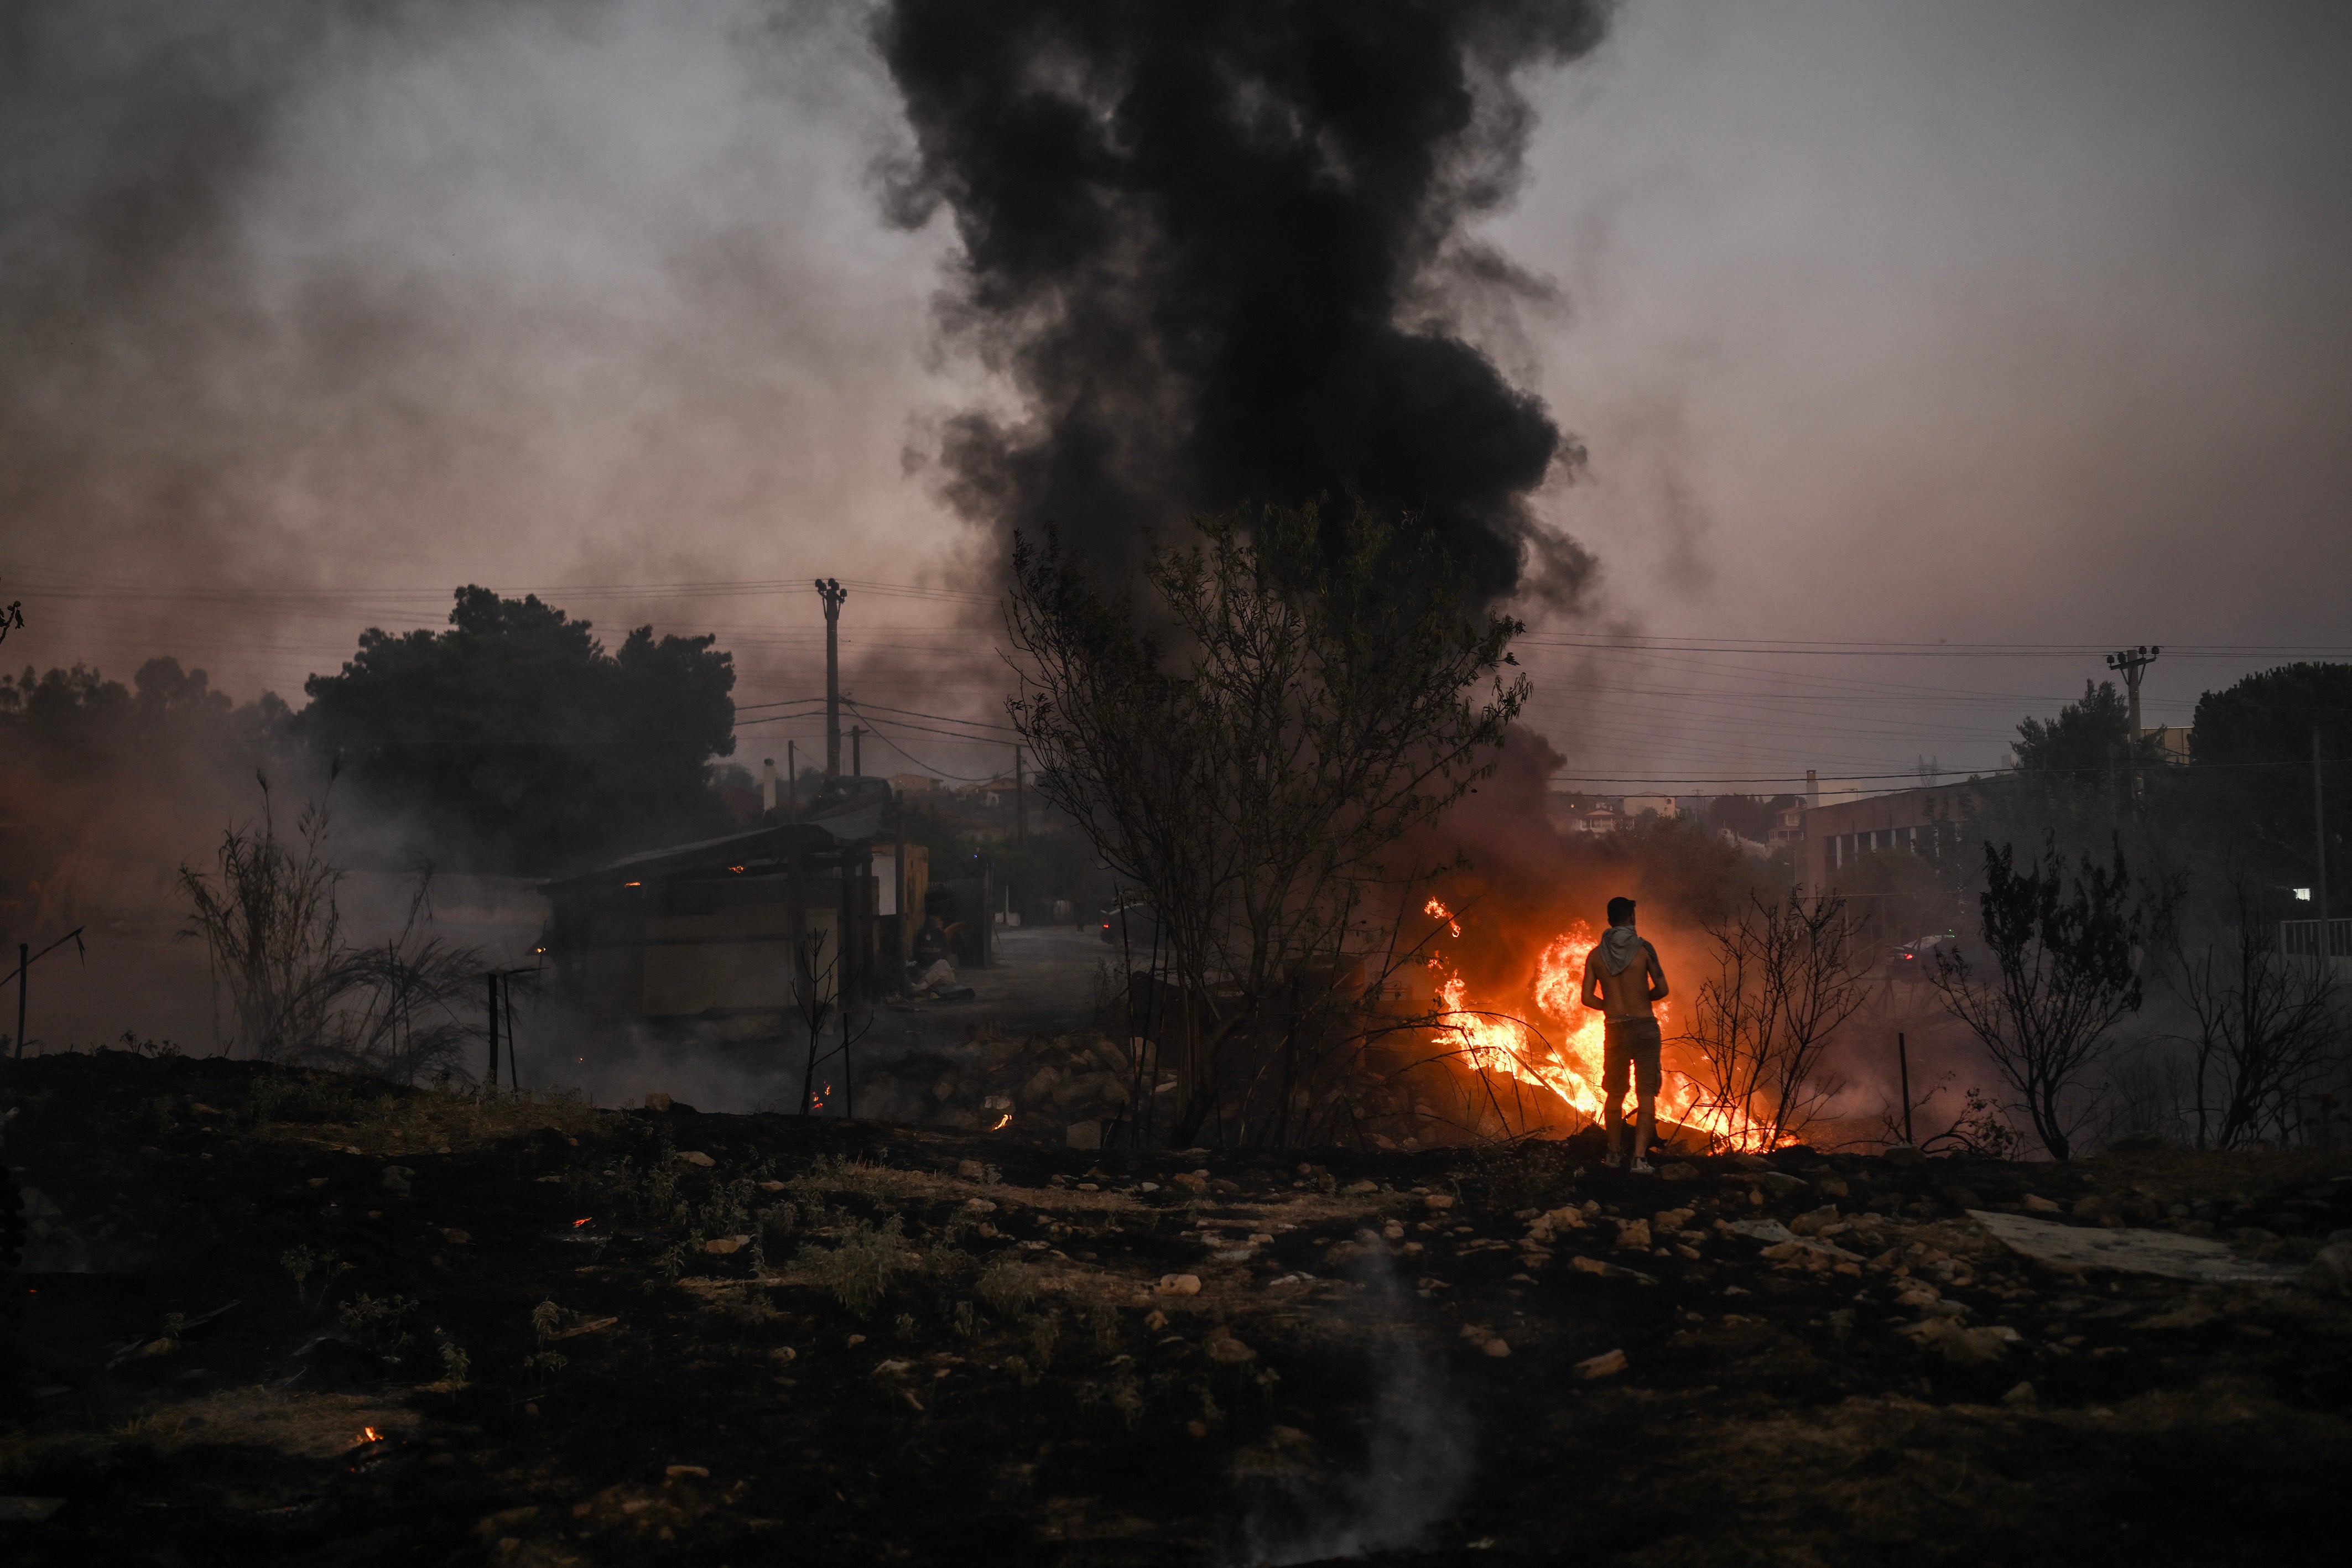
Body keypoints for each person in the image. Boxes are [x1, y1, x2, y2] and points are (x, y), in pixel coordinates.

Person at [1579, 895, 1670, 1173]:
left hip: (1615, 1028)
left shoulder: (1595, 955)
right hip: (1644, 1027)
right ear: (1631, 916)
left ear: (1609, 919)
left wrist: (1610, 1005)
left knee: (1615, 1094)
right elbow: (1663, 989)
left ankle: (1614, 1155)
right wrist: (1643, 999)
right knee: (1646, 1095)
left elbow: (1586, 998)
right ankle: (1640, 1160)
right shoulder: (1644, 949)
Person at [910, 913, 955, 991]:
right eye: (939, 924)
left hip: (934, 972)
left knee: (947, 976)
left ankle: (925, 985)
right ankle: (924, 985)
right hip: (925, 971)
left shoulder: (938, 935)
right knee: (943, 964)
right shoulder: (926, 934)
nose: (941, 927)